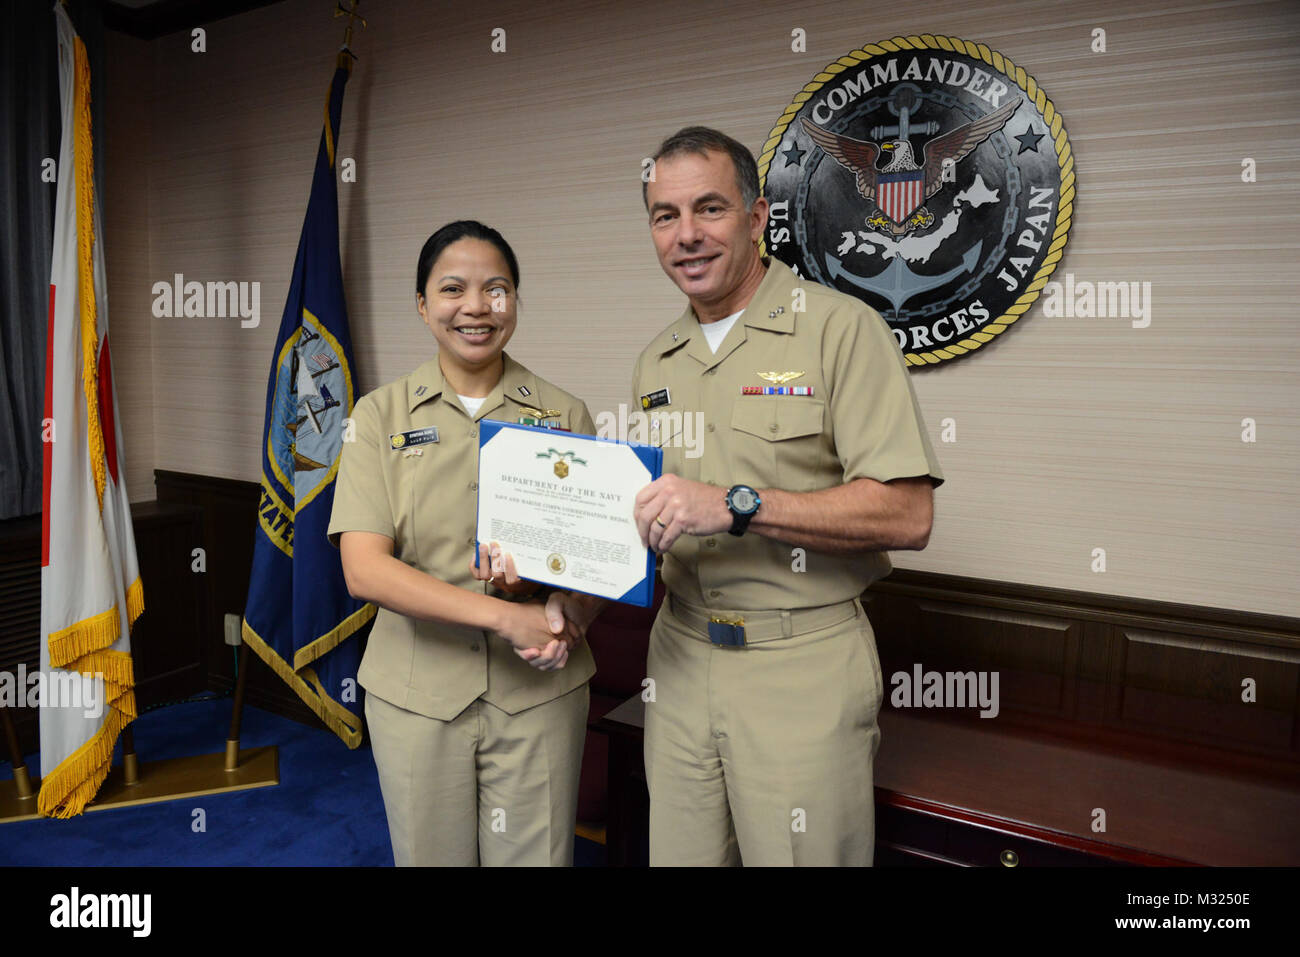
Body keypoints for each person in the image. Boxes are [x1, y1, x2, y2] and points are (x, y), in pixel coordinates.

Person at [630, 127, 945, 865]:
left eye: (709, 209)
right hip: (676, 659)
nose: (687, 235)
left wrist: (739, 503)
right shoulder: (656, 359)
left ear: (757, 216)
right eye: (664, 215)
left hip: (799, 662)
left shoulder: (842, 329)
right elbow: (657, 508)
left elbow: (909, 513)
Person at [327, 220, 597, 866]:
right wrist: (505, 614)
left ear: (514, 303)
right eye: (453, 289)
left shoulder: (565, 415)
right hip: (418, 696)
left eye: (496, 290)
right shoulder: (376, 418)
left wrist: (568, 612)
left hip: (540, 693)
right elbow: (364, 569)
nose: (476, 307)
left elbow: (589, 566)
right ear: (423, 305)